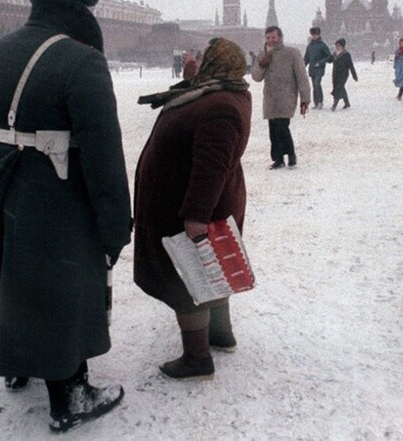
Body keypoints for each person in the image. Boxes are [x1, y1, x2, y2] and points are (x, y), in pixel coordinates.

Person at [0, 0, 131, 433]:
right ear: (83, 8)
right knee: (62, 285)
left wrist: (5, 180)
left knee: (9, 275)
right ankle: (69, 394)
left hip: (3, 183)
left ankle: (17, 362)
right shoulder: (82, 60)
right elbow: (104, 151)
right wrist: (114, 225)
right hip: (61, 195)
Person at [134, 38, 252, 380]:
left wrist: (197, 216)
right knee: (211, 270)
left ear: (217, 62)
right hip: (200, 200)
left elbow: (211, 166)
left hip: (190, 207)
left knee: (188, 280)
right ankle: (220, 334)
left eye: (204, 57)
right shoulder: (221, 92)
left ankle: (197, 358)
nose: (199, 61)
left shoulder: (220, 106)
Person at [251, 26, 311, 169]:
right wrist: (262, 64)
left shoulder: (291, 53)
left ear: (280, 37)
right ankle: (278, 159)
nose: (271, 40)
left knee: (282, 126)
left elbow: (302, 77)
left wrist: (305, 99)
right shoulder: (262, 55)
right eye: (268, 38)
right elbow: (256, 77)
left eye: (274, 37)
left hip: (286, 96)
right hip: (270, 98)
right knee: (273, 129)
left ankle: (291, 155)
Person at [303, 26, 333, 109]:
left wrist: (320, 62)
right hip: (312, 68)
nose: (313, 36)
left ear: (318, 34)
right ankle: (316, 103)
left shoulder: (323, 45)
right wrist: (302, 67)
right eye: (312, 35)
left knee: (317, 84)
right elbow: (306, 58)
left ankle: (320, 102)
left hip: (320, 68)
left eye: (315, 34)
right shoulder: (310, 46)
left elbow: (329, 57)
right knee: (314, 85)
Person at [329, 38, 358, 110]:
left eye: (338, 46)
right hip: (335, 74)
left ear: (342, 46)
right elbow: (329, 60)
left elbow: (351, 66)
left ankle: (334, 105)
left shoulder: (346, 54)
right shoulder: (334, 54)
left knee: (338, 89)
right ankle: (347, 103)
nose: (337, 47)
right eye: (336, 45)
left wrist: (354, 75)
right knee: (340, 88)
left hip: (343, 75)